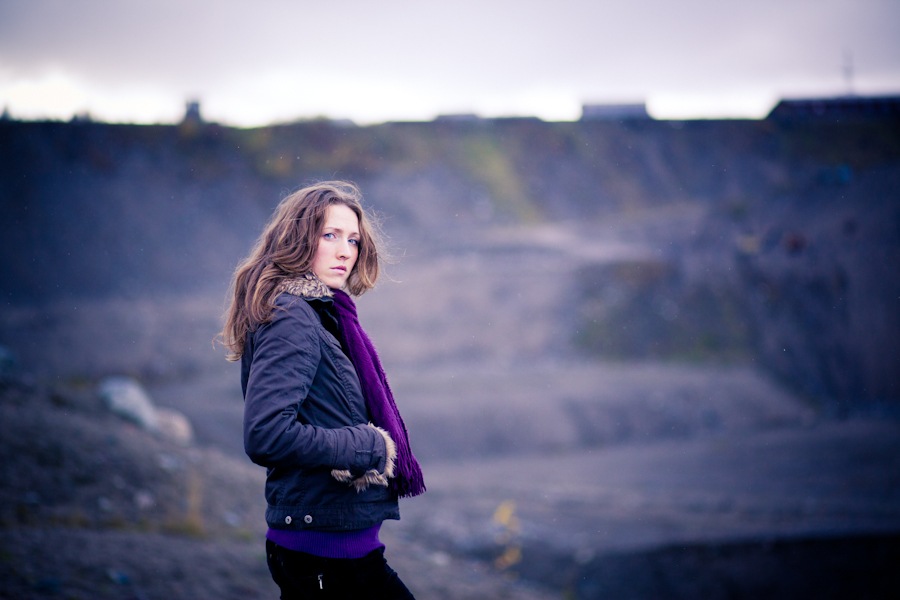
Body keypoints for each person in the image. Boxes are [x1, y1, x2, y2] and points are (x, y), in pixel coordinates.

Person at [221, 181, 426, 598]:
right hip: (324, 556)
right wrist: (367, 446)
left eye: (352, 239)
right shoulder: (291, 316)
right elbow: (266, 434)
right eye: (330, 235)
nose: (345, 251)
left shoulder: (322, 314)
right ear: (297, 238)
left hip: (341, 551)